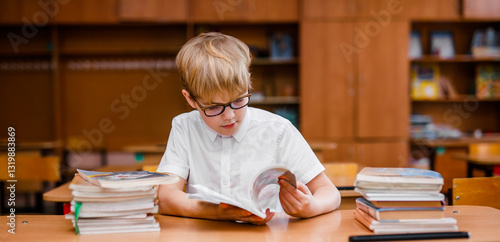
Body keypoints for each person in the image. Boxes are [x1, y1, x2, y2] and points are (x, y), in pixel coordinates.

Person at [156, 32, 340, 225]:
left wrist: (312, 206)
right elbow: (166, 197)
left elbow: (329, 192)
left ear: (248, 84)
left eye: (238, 100)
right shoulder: (184, 127)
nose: (229, 116)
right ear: (190, 99)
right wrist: (218, 213)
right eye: (213, 107)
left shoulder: (278, 130)